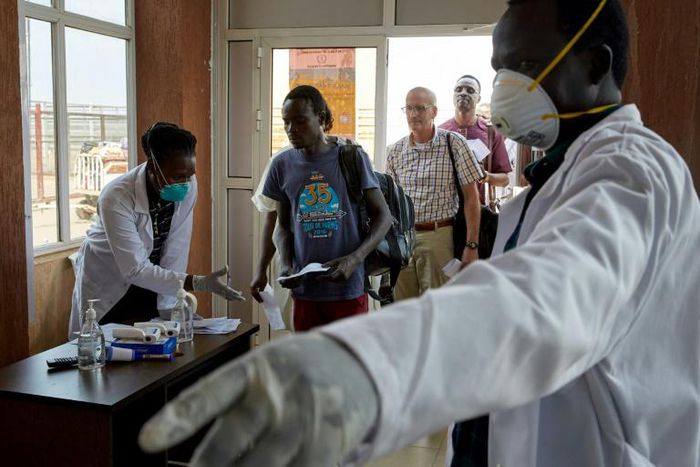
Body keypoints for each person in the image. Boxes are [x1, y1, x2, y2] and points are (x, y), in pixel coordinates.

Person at [138, 0, 700, 465]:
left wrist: (369, 365)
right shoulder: (548, 186)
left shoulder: (635, 174)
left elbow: (550, 297)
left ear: (597, 66)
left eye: (525, 64)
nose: (505, 86)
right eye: (500, 67)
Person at [69, 122, 243, 337]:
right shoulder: (116, 197)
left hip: (151, 282)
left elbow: (176, 249)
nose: (184, 183)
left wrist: (172, 303)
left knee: (156, 346)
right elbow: (134, 269)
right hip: (111, 284)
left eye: (189, 175)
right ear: (152, 166)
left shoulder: (187, 184)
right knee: (111, 350)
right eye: (176, 176)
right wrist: (196, 282)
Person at [251, 85, 391, 331]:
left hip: (348, 290)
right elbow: (282, 226)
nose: (291, 130)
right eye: (286, 122)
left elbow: (384, 217)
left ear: (322, 118)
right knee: (311, 364)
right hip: (306, 292)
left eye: (300, 121)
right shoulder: (281, 164)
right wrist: (278, 265)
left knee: (349, 364)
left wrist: (354, 260)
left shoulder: (351, 157)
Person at [385, 87, 484, 300]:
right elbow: (391, 203)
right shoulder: (395, 151)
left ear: (434, 112)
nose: (413, 114)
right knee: (404, 309)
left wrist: (472, 245)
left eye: (420, 108)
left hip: (440, 237)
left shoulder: (454, 143)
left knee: (440, 308)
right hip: (404, 239)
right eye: (409, 108)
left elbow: (472, 198)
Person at [439, 74, 512, 205]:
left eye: (470, 90)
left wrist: (486, 176)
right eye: (458, 89)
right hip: (446, 214)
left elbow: (504, 179)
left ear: (478, 98)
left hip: (479, 212)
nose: (463, 93)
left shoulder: (491, 132)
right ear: (453, 95)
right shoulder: (440, 132)